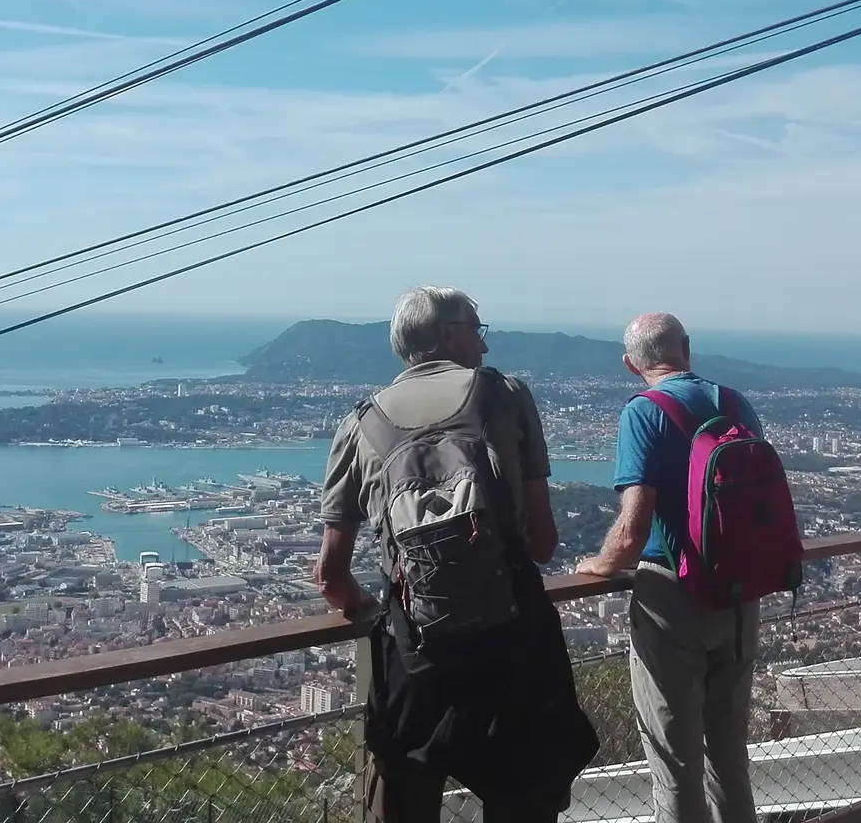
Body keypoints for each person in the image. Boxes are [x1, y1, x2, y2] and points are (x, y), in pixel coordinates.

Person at [316, 286, 595, 823]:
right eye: (477, 329)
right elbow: (541, 543)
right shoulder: (505, 396)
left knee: (407, 798)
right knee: (523, 800)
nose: (485, 347)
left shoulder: (360, 425)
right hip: (513, 648)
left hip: (416, 658)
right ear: (445, 333)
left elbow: (331, 576)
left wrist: (380, 613)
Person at [577, 312, 764, 823]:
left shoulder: (644, 413)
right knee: (729, 757)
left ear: (630, 364)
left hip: (673, 596)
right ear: (686, 347)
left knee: (675, 762)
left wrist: (598, 563)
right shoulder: (734, 402)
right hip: (741, 590)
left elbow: (633, 530)